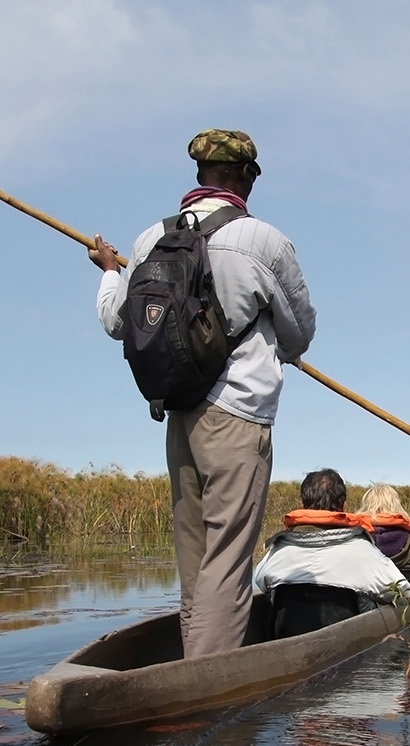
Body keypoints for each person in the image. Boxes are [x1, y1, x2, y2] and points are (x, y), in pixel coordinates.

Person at [90, 129, 317, 658]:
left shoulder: (151, 240)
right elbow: (300, 334)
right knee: (228, 556)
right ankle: (207, 684)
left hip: (178, 411)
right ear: (245, 177)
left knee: (194, 550)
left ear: (199, 175)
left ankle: (191, 660)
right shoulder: (264, 241)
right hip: (238, 412)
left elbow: (116, 321)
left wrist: (108, 273)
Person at [254, 469, 410, 638]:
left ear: (303, 505)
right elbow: (404, 593)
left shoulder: (279, 550)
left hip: (286, 637)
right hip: (349, 644)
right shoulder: (362, 551)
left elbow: (260, 581)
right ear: (343, 506)